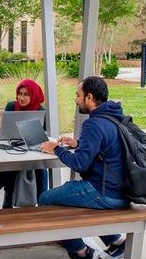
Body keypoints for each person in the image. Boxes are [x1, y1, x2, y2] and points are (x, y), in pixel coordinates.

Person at [38, 76, 129, 259]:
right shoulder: (115, 117)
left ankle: (81, 251)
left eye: (78, 95)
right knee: (67, 198)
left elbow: (79, 164)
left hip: (104, 192)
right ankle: (116, 242)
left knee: (46, 198)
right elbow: (106, 146)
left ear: (89, 97)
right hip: (122, 191)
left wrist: (55, 148)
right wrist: (78, 143)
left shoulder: (93, 123)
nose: (76, 100)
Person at [0, 79, 49, 210]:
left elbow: (42, 136)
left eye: (26, 94)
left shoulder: (40, 110)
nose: (21, 98)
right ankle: (6, 205)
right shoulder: (11, 106)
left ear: (33, 95)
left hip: (32, 149)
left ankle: (41, 205)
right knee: (10, 170)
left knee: (41, 169)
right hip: (11, 148)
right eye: (20, 93)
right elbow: (5, 130)